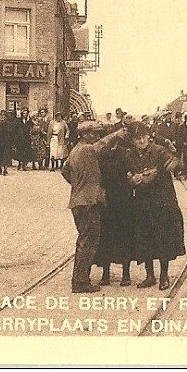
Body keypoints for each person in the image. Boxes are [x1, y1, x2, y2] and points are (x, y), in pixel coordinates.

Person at [126, 121, 185, 290]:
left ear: (148, 137)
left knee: (162, 239)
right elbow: (127, 173)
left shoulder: (159, 151)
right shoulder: (130, 155)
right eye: (137, 139)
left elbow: (176, 165)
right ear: (133, 141)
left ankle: (164, 276)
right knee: (145, 239)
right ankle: (149, 275)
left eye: (143, 137)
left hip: (162, 201)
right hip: (143, 203)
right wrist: (132, 179)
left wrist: (174, 165)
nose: (141, 141)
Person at [61, 121, 106, 293]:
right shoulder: (87, 149)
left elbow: (64, 171)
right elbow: (103, 146)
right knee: (88, 242)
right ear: (86, 134)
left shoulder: (74, 150)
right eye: (94, 134)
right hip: (88, 202)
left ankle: (80, 278)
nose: (97, 137)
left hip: (78, 201)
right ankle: (80, 281)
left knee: (83, 240)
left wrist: (77, 185)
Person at [95, 125, 136, 286]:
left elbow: (132, 173)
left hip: (123, 200)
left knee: (124, 236)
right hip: (107, 201)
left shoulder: (126, 154)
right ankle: (106, 273)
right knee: (106, 237)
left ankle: (125, 274)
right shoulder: (101, 156)